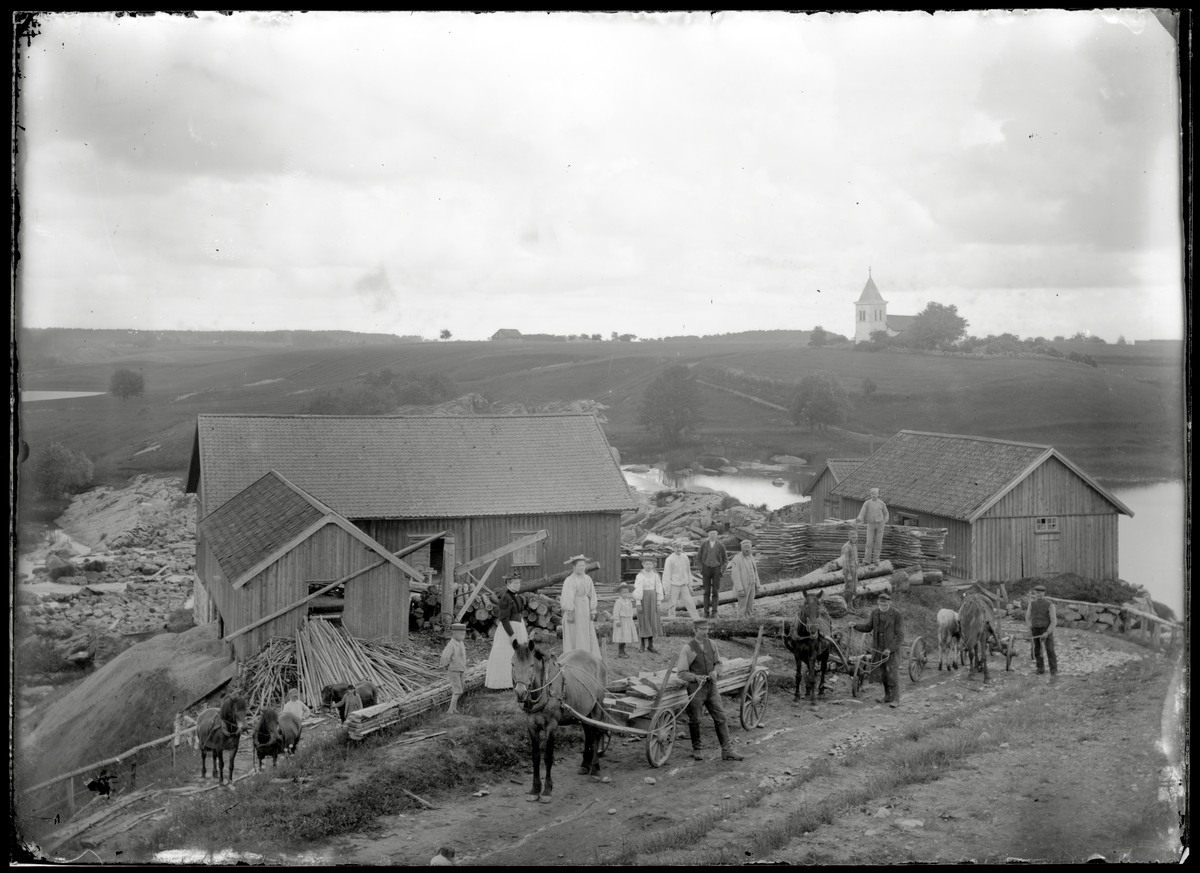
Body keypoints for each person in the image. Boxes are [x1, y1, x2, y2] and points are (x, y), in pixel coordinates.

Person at [674, 619, 745, 762]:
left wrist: (715, 672)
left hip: (711, 687)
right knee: (696, 719)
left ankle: (727, 750)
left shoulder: (711, 644)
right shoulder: (688, 648)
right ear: (695, 630)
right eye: (702, 629)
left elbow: (719, 663)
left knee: (721, 717)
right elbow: (681, 672)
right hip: (696, 688)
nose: (705, 632)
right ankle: (697, 749)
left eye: (707, 629)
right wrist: (695, 677)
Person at [852, 590, 904, 707]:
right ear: (878, 603)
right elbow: (868, 627)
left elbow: (900, 635)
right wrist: (855, 625)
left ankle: (896, 699)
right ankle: (887, 696)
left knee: (892, 674)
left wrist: (890, 649)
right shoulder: (875, 613)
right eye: (881, 604)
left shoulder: (896, 614)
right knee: (883, 674)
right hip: (878, 648)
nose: (883, 607)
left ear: (890, 603)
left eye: (885, 604)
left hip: (891, 650)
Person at [485, 573, 529, 690]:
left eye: (519, 583)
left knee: (520, 653)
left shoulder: (517, 596)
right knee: (507, 654)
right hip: (509, 628)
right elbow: (504, 618)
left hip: (519, 626)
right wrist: (511, 634)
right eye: (515, 583)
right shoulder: (506, 597)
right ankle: (505, 683)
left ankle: (519, 680)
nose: (517, 585)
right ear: (508, 584)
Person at [560, 555, 600, 658]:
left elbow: (592, 594)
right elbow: (568, 597)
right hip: (575, 609)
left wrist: (592, 610)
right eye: (579, 566)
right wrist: (569, 612)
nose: (581, 568)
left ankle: (588, 655)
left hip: (585, 608)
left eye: (583, 566)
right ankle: (575, 657)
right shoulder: (570, 580)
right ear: (574, 567)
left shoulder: (588, 579)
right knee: (575, 632)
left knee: (586, 632)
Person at [633, 555, 666, 653]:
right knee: (644, 619)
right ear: (643, 564)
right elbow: (638, 589)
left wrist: (659, 601)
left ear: (653, 565)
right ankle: (642, 645)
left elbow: (659, 587)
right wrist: (638, 603)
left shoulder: (655, 575)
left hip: (653, 599)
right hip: (644, 599)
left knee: (652, 620)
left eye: (650, 564)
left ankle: (650, 645)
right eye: (647, 564)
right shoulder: (640, 576)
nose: (649, 566)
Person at [1025, 583, 1058, 679]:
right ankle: (1040, 668)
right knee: (1037, 650)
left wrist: (1047, 632)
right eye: (1036, 593)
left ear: (1044, 594)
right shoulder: (1032, 604)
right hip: (1035, 629)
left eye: (1040, 593)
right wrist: (1031, 627)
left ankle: (1054, 671)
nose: (1038, 595)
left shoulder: (1049, 605)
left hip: (1046, 630)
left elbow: (1053, 621)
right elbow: (1027, 617)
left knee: (1050, 650)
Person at [662, 540, 700, 620]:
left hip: (684, 585)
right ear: (673, 548)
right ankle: (671, 620)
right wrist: (667, 591)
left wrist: (690, 586)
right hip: (674, 585)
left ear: (682, 548)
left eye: (680, 547)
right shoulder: (669, 559)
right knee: (672, 605)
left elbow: (688, 572)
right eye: (676, 547)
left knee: (690, 603)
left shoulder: (685, 557)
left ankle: (696, 619)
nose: (678, 549)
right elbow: (666, 575)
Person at [697, 528, 728, 619]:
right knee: (706, 591)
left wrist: (721, 569)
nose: (712, 535)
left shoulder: (721, 545)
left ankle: (714, 612)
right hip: (706, 569)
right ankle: (706, 612)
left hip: (717, 569)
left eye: (714, 534)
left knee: (715, 591)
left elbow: (725, 560)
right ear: (708, 535)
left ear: (717, 535)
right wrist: (701, 568)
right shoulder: (703, 545)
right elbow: (698, 558)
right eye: (711, 533)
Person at [856, 487, 890, 566]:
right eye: (872, 494)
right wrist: (859, 518)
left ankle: (876, 560)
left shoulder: (881, 503)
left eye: (875, 494)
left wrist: (885, 520)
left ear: (878, 495)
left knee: (878, 543)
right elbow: (862, 512)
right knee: (869, 543)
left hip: (880, 525)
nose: (874, 495)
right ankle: (866, 561)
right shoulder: (867, 503)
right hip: (870, 524)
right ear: (870, 494)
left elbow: (886, 513)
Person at [440, 622, 469, 713]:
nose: (463, 636)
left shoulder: (461, 643)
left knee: (461, 688)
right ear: (454, 634)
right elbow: (445, 657)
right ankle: (450, 709)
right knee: (457, 690)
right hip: (453, 670)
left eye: (464, 634)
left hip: (461, 669)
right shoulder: (451, 645)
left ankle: (454, 708)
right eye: (461, 634)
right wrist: (445, 665)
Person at [730, 540, 760, 619]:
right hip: (743, 586)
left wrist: (757, 585)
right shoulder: (737, 559)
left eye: (749, 547)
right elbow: (735, 576)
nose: (747, 549)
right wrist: (740, 589)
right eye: (745, 547)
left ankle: (748, 621)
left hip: (752, 584)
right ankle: (740, 622)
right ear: (741, 548)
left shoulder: (752, 558)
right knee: (742, 607)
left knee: (750, 606)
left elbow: (755, 572)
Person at [611, 583, 637, 658]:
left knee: (625, 636)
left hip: (627, 620)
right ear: (620, 593)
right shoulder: (619, 602)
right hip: (621, 621)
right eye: (624, 593)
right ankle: (620, 651)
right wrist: (617, 620)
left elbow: (630, 611)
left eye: (627, 593)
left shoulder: (629, 601)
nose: (626, 594)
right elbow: (616, 612)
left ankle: (623, 651)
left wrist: (631, 618)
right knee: (621, 636)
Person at [840, 524, 860, 608]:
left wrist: (858, 564)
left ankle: (851, 605)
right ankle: (846, 606)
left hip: (854, 569)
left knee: (854, 588)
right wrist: (848, 574)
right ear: (849, 537)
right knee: (849, 589)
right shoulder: (846, 547)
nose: (854, 539)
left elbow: (856, 557)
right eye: (853, 537)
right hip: (849, 571)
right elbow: (845, 562)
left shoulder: (854, 546)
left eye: (856, 537)